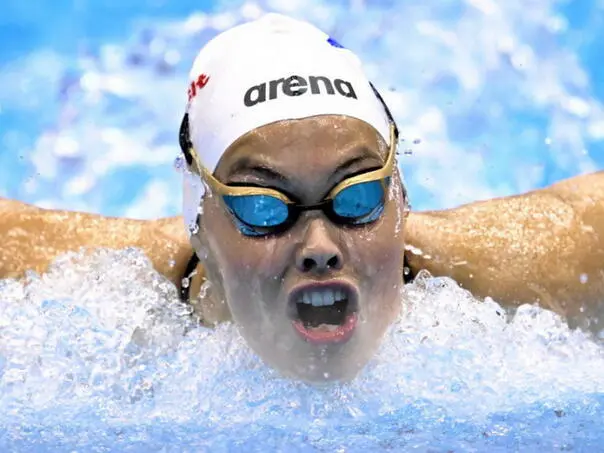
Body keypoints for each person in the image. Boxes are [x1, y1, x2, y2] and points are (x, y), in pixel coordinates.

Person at [1, 14, 603, 383]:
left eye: (358, 195)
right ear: (199, 223)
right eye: (263, 206)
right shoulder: (87, 297)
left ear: (401, 196)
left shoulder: (521, 272)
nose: (319, 246)